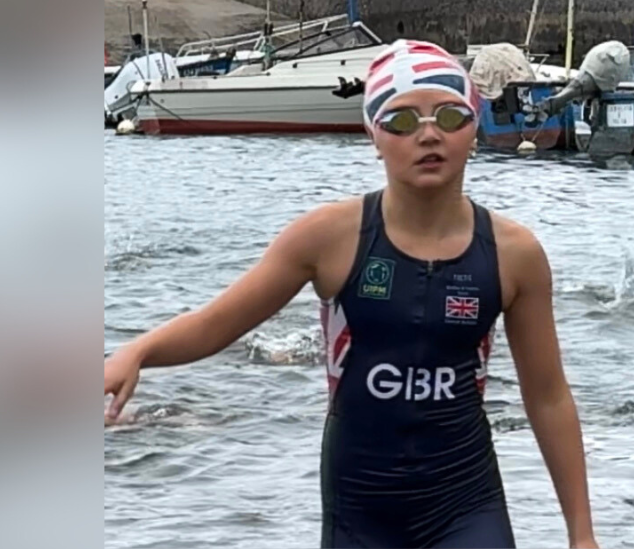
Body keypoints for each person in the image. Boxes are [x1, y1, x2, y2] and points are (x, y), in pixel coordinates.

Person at [105, 39, 598, 549]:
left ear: (473, 125)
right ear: (374, 135)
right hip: (361, 509)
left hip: (465, 503)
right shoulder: (331, 237)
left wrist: (581, 535)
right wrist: (137, 352)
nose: (428, 135)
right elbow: (218, 323)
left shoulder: (513, 253)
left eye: (449, 117)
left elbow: (548, 397)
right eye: (402, 122)